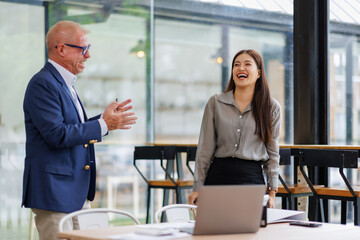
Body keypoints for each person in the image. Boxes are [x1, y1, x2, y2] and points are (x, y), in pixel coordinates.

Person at [21, 20, 137, 240]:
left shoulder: (65, 84)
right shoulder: (42, 84)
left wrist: (104, 120)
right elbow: (57, 134)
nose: (88, 55)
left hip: (74, 192)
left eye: (88, 49)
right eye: (83, 49)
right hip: (55, 194)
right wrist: (103, 125)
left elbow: (70, 128)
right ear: (62, 49)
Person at [188, 49, 281, 208]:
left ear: (258, 73)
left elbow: (273, 152)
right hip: (217, 176)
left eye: (247, 64)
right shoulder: (215, 103)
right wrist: (198, 187)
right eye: (236, 65)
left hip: (251, 179)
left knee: (249, 232)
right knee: (214, 230)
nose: (241, 68)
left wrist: (272, 192)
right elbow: (205, 149)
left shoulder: (271, 107)